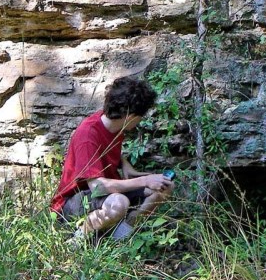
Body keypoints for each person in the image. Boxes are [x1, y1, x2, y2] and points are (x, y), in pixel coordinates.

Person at [50, 76, 174, 241]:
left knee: (165, 187)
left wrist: (125, 165)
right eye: (140, 116)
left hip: (104, 195)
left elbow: (105, 144)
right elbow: (97, 187)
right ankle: (76, 240)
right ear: (130, 116)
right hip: (71, 204)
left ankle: (120, 237)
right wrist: (145, 180)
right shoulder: (87, 135)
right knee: (119, 203)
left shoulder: (113, 123)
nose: (140, 120)